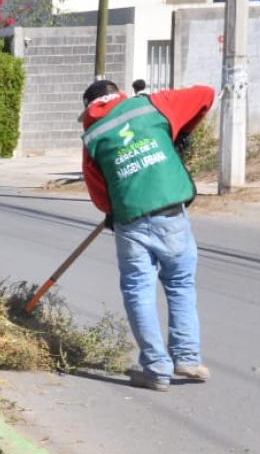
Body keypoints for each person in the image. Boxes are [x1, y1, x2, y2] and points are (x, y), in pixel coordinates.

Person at [79, 80, 215, 391]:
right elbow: (206, 95)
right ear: (119, 94)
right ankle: (188, 358)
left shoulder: (93, 137)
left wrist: (113, 209)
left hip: (130, 222)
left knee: (138, 290)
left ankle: (156, 369)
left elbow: (100, 196)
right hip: (171, 214)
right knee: (180, 284)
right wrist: (182, 131)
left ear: (89, 107)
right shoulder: (152, 106)